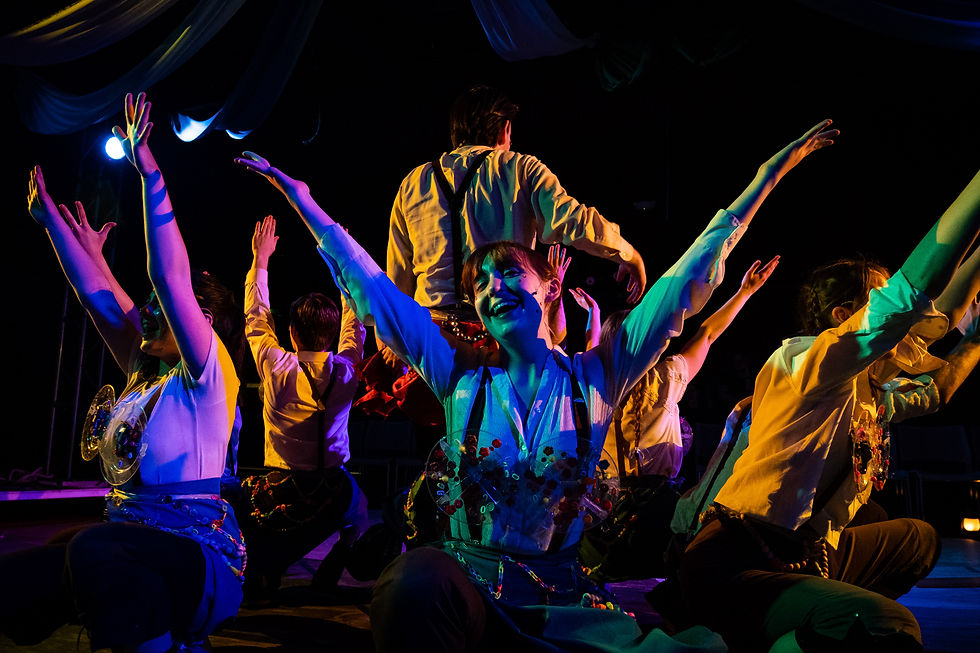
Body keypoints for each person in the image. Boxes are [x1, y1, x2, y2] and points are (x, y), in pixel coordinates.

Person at [235, 119, 838, 652]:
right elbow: (375, 290)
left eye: (508, 272)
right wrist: (304, 200)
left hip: (565, 599)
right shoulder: (460, 377)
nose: (492, 287)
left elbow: (687, 279)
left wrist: (767, 174)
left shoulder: (599, 374)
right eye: (481, 283)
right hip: (471, 586)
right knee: (412, 581)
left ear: (550, 285)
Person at [679, 166, 980, 652]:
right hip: (733, 563)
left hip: (805, 554)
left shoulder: (865, 390)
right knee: (889, 626)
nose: (903, 320)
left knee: (916, 540)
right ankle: (795, 633)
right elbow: (912, 299)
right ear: (844, 318)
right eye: (878, 301)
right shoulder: (804, 363)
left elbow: (936, 365)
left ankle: (812, 612)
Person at [0, 92, 245, 652]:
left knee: (93, 550)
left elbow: (169, 275)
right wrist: (51, 226)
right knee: (26, 573)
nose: (149, 308)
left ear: (200, 320)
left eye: (162, 304)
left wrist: (150, 173)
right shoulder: (146, 374)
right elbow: (98, 299)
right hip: (134, 541)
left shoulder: (206, 377)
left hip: (200, 560)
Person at [359, 85, 648, 427]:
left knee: (444, 464)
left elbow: (397, 283)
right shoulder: (519, 169)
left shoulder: (413, 183)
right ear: (504, 129)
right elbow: (573, 221)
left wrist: (390, 344)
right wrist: (628, 254)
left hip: (432, 347)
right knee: (510, 457)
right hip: (503, 343)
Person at [578, 255, 779, 583]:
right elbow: (708, 333)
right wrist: (744, 293)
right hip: (640, 506)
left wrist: (594, 318)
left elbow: (593, 347)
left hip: (607, 504)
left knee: (607, 585)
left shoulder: (605, 379)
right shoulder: (667, 375)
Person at [233, 214, 369, 601]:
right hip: (331, 491)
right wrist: (344, 270)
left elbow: (256, 318)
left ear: (291, 332)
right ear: (330, 334)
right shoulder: (346, 372)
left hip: (280, 494)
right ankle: (336, 559)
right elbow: (354, 327)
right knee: (358, 507)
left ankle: (259, 566)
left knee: (235, 500)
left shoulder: (277, 365)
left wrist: (261, 261)